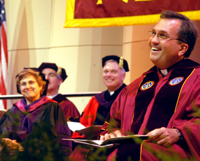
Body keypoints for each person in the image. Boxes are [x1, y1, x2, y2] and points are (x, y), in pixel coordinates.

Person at [99, 10, 200, 161]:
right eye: (153, 33)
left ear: (182, 49)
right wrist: (112, 134)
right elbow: (111, 124)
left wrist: (178, 133)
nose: (153, 40)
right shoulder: (135, 86)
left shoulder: (196, 79)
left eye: (163, 36)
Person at [0, 69, 72, 158]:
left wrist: (22, 148)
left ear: (41, 86)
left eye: (31, 82)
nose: (27, 86)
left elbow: (61, 141)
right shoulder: (12, 112)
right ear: (19, 88)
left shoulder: (52, 108)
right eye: (23, 84)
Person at [72, 55, 129, 139]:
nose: (108, 75)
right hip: (94, 144)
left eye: (113, 71)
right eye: (106, 71)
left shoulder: (129, 97)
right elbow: (84, 123)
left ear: (123, 76)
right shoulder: (96, 99)